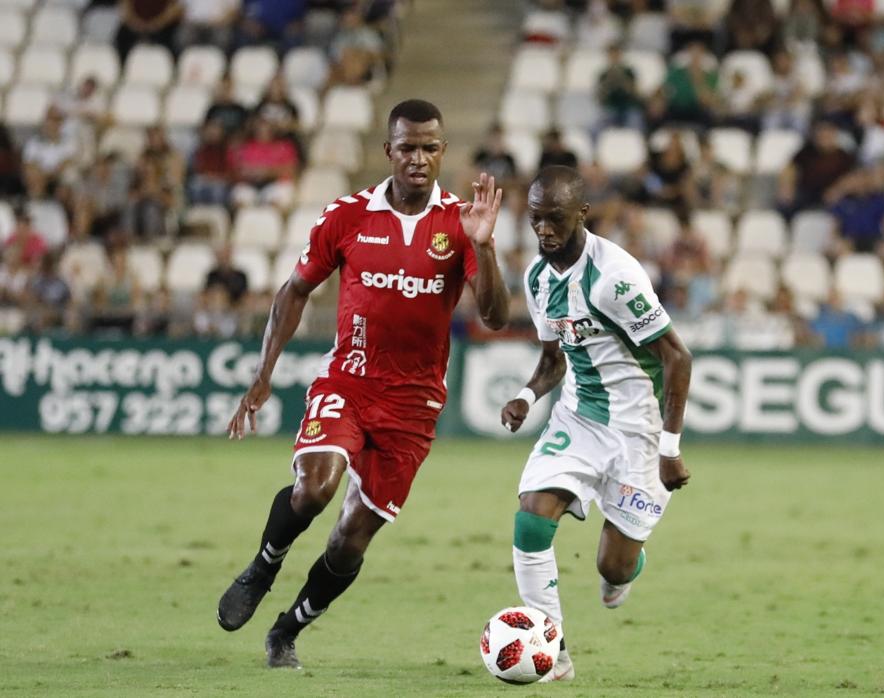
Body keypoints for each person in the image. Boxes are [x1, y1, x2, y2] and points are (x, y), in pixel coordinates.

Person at [215, 100, 510, 669]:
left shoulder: (460, 223)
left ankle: (286, 630)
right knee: (316, 487)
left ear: (442, 151)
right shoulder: (347, 216)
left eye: (430, 147)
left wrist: (485, 246)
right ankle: (264, 565)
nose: (418, 159)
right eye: (407, 147)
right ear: (388, 151)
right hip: (348, 379)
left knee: (351, 536)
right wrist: (262, 376)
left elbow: (496, 318)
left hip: (414, 404)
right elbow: (294, 291)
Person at [499, 166, 693, 682]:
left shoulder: (613, 276)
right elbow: (553, 360)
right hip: (580, 417)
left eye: (554, 219)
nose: (543, 230)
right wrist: (525, 395)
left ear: (582, 214)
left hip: (641, 431)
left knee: (614, 566)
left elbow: (677, 358)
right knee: (531, 518)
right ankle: (552, 647)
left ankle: (624, 572)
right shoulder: (538, 276)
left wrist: (670, 448)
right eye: (536, 218)